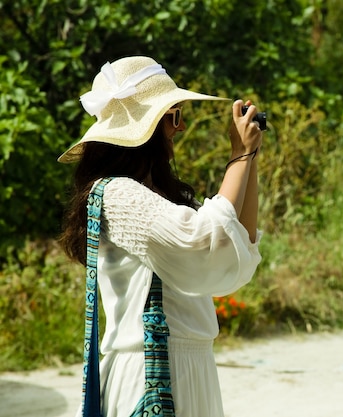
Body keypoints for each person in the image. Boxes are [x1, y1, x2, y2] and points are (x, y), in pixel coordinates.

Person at [58, 56, 263, 417]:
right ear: (149, 127)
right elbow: (204, 244)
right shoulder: (117, 195)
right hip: (152, 373)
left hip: (190, 370)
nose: (179, 128)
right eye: (175, 116)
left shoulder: (163, 199)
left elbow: (235, 251)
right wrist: (238, 155)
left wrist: (251, 157)